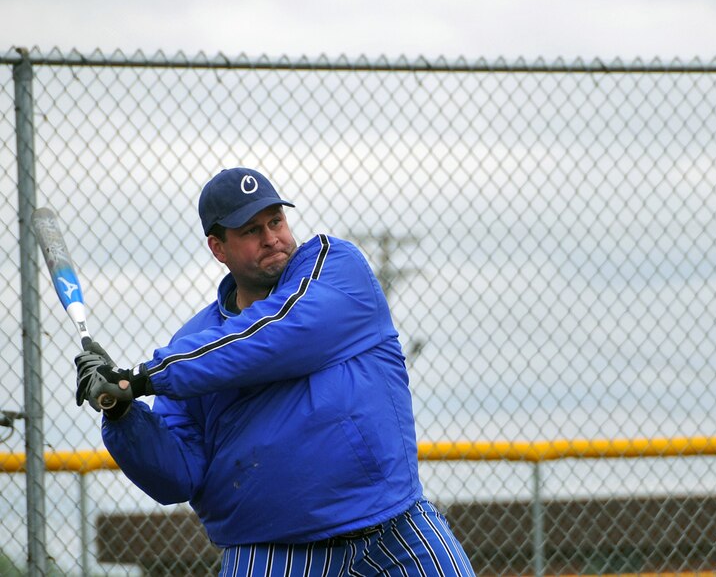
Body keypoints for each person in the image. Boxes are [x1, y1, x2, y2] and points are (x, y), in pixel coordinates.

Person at [74, 167, 476, 577]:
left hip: (394, 527)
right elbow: (177, 476)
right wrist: (122, 412)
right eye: (250, 230)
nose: (271, 238)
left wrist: (140, 377)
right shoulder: (194, 344)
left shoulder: (336, 267)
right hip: (271, 552)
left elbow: (279, 333)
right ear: (218, 248)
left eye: (276, 221)